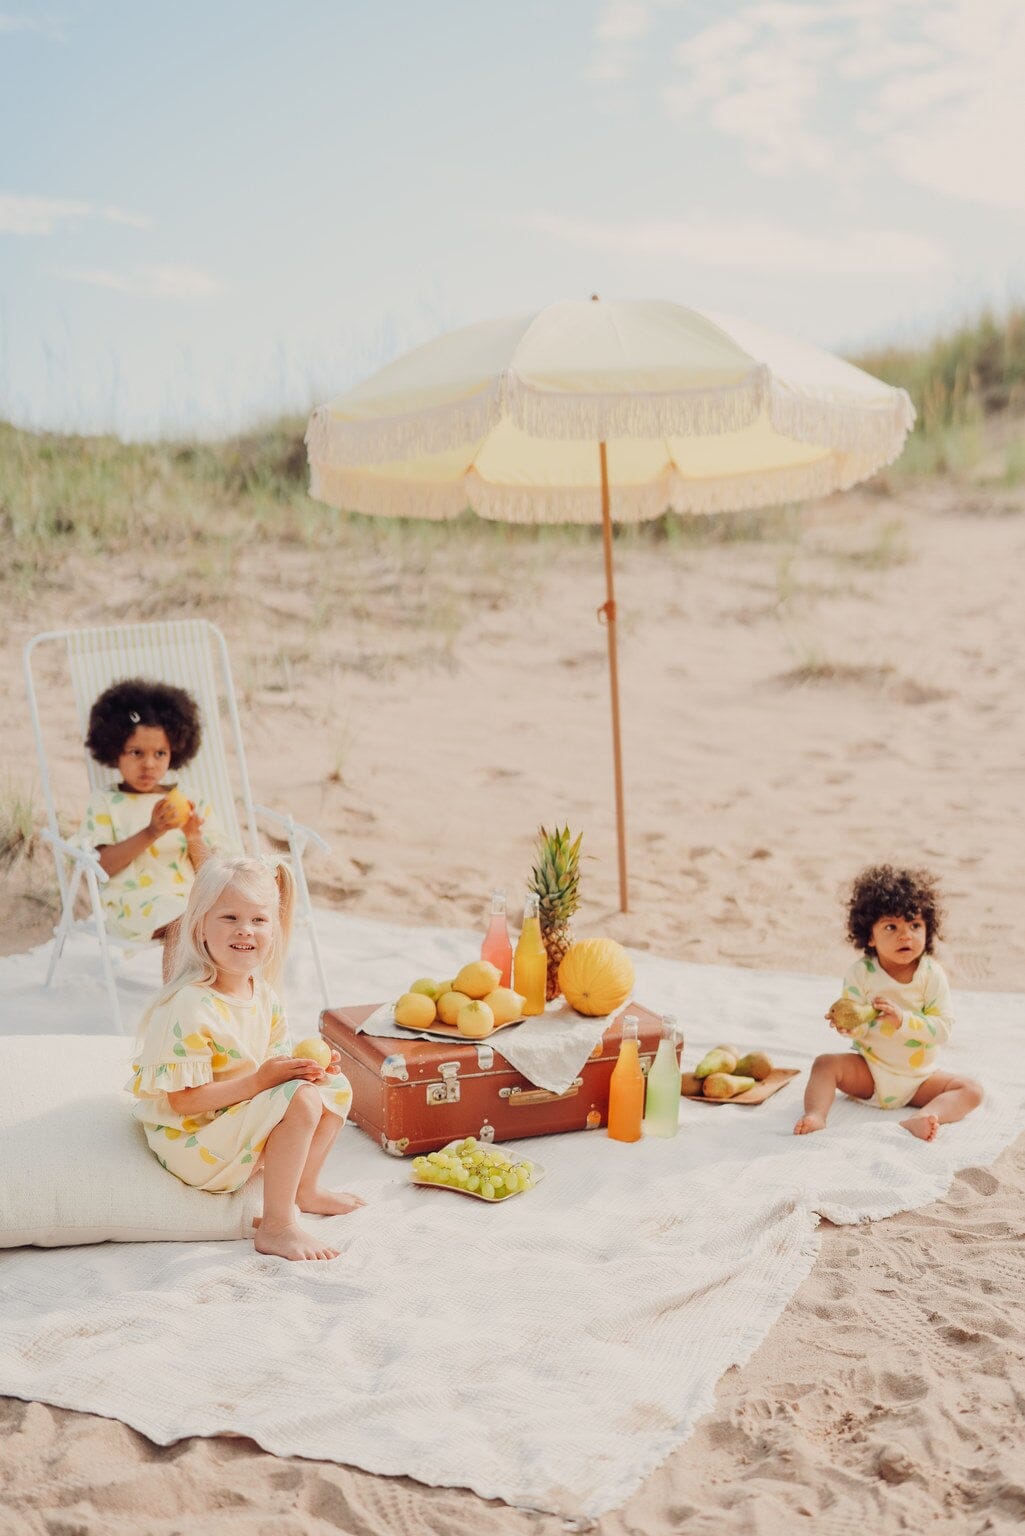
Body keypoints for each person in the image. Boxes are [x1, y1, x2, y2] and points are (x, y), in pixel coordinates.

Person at [128, 854, 363, 1261]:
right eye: (230, 918)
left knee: (332, 1087)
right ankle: (277, 1226)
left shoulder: (263, 995)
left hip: (235, 1118)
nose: (245, 930)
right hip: (194, 1140)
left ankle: (304, 1188)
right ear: (200, 927)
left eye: (258, 920)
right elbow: (183, 1101)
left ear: (275, 929)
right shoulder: (190, 1005)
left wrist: (305, 1071)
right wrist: (261, 1083)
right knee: (301, 1100)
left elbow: (274, 1069)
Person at [794, 864, 983, 1141]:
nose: (905, 935)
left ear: (928, 929)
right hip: (871, 1071)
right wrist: (848, 1027)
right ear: (870, 936)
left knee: (971, 1090)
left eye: (915, 925)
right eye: (891, 927)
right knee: (824, 1064)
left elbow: (943, 1029)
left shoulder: (931, 974)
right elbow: (858, 1026)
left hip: (920, 1078)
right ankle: (816, 1115)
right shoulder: (861, 973)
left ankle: (922, 1117)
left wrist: (903, 1020)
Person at [75, 677, 226, 978]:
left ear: (175, 751)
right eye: (136, 752)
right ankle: (175, 996)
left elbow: (213, 872)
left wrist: (192, 834)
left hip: (190, 895)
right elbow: (100, 867)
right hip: (134, 902)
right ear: (114, 751)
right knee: (184, 921)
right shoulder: (107, 802)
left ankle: (218, 993)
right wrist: (151, 832)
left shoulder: (189, 800)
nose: (149, 765)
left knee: (226, 916)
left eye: (160, 753)